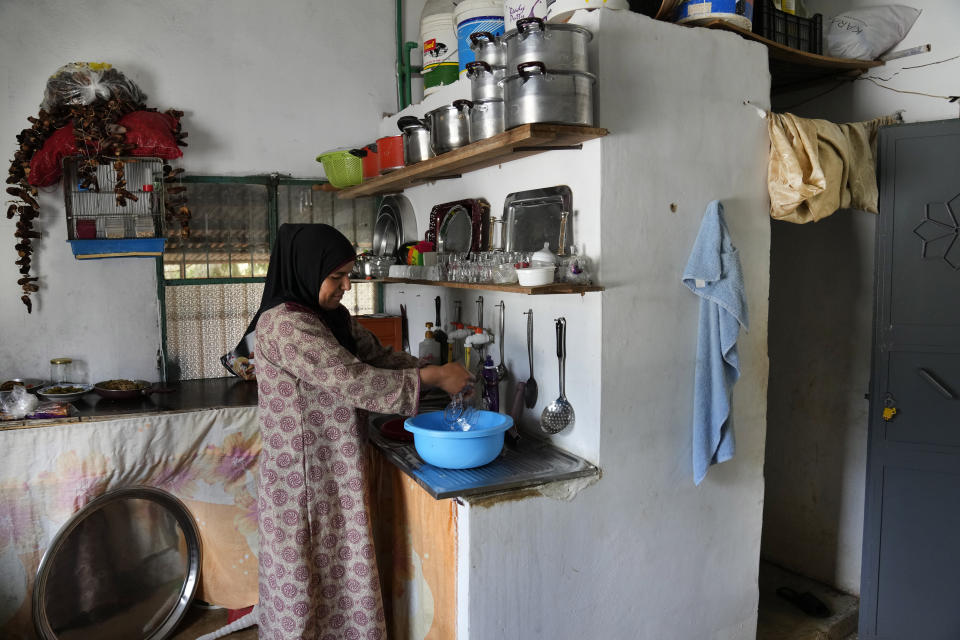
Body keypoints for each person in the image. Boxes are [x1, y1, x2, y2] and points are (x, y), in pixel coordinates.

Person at [245, 223, 472, 639]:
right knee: (306, 576)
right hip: (304, 479)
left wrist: (428, 369)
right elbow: (354, 380)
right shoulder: (284, 325)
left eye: (349, 274)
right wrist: (436, 377)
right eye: (337, 277)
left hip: (335, 468)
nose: (347, 286)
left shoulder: (330, 319)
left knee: (340, 573)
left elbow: (378, 359)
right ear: (305, 270)